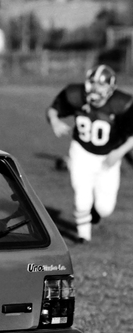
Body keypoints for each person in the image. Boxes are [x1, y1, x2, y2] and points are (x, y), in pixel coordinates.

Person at [47, 64, 133, 242]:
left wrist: (119, 152)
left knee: (105, 209)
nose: (95, 88)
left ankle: (93, 213)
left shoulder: (122, 103)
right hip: (81, 152)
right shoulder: (75, 94)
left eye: (101, 84)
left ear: (111, 88)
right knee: (82, 198)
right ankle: (83, 237)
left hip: (108, 156)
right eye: (92, 83)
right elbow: (53, 109)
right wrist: (54, 121)